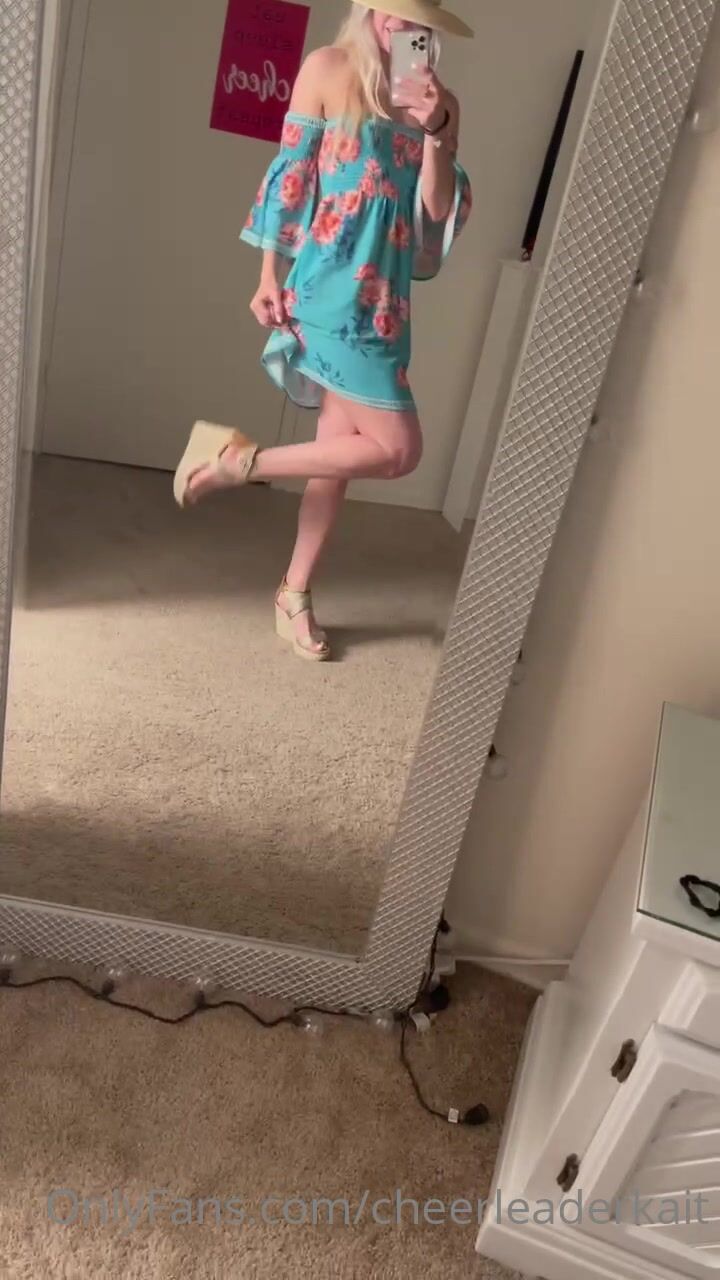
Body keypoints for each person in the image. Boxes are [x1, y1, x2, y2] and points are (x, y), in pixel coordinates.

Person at [174, 1, 474, 661]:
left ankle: (294, 592)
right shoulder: (328, 69)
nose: (402, 26)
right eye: (393, 12)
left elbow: (434, 212)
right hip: (329, 286)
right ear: (370, 9)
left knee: (336, 456)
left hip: (386, 303)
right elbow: (292, 177)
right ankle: (238, 464)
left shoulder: (438, 101)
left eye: (416, 20)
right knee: (399, 450)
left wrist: (437, 131)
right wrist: (268, 274)